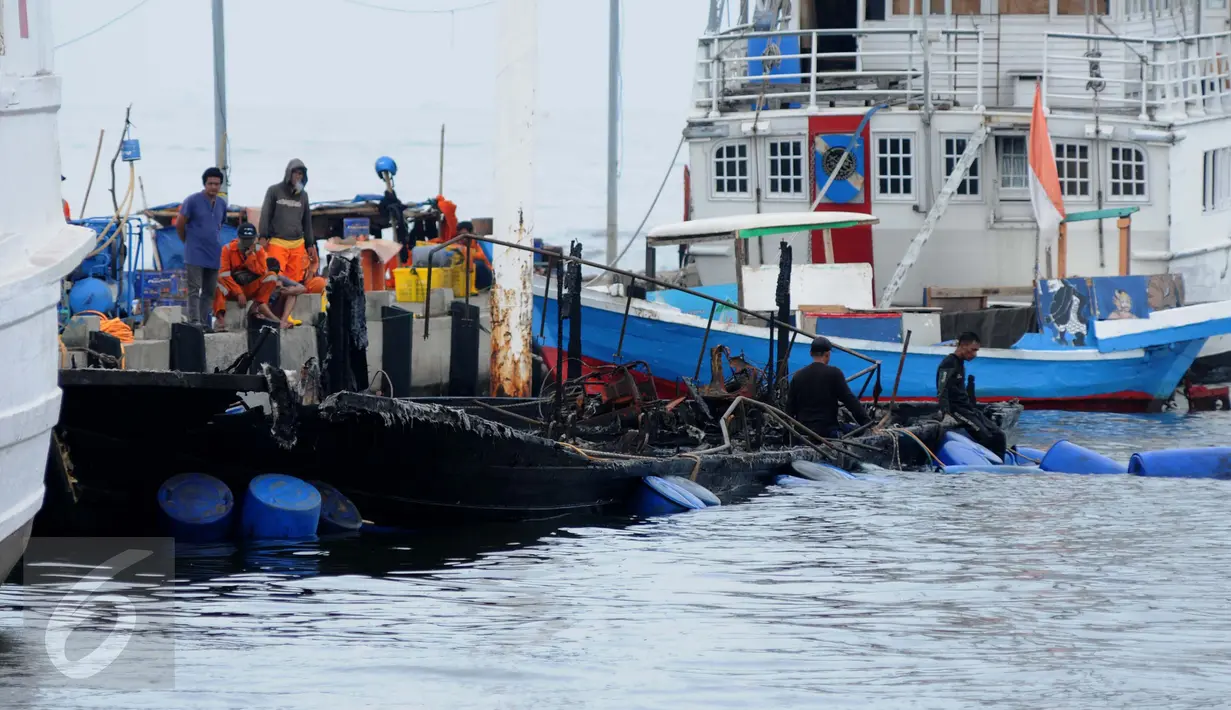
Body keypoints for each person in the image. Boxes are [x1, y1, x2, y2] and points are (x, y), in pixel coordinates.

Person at [259, 158, 326, 295]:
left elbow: (307, 221)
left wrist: (310, 244)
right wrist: (263, 236)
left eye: (301, 174)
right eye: (295, 173)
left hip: (297, 244)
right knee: (276, 275)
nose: (298, 176)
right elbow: (265, 214)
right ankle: (277, 303)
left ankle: (292, 302)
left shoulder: (303, 196)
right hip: (277, 242)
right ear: (288, 173)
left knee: (295, 278)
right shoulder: (274, 191)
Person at [937, 332, 1007, 459]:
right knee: (985, 436)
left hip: (968, 408)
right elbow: (942, 390)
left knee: (999, 434)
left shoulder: (960, 363)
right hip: (956, 410)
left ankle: (1000, 464)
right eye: (973, 350)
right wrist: (946, 413)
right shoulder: (949, 363)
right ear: (963, 346)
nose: (975, 354)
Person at [786, 336, 871, 438]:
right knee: (859, 431)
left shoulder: (798, 376)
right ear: (827, 354)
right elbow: (849, 400)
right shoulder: (834, 373)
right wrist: (867, 423)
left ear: (811, 353)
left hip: (804, 432)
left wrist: (787, 435)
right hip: (827, 431)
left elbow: (790, 408)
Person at [177, 167, 228, 328]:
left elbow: (220, 225)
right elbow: (180, 223)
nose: (214, 187)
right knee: (194, 290)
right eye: (210, 183)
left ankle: (205, 323)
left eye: (217, 184)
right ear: (205, 184)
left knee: (209, 291)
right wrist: (188, 242)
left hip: (213, 253)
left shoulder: (221, 204)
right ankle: (194, 321)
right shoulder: (192, 201)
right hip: (195, 253)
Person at [212, 223, 280, 332]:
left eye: (250, 239)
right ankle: (220, 320)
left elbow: (262, 271)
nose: (247, 242)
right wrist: (238, 292)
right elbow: (224, 274)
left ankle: (254, 309)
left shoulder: (259, 250)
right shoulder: (227, 249)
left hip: (249, 288)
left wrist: (250, 256)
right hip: (232, 289)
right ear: (238, 238)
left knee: (271, 277)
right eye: (244, 239)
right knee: (217, 283)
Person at [263, 257, 307, 329]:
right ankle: (279, 322)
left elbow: (303, 288)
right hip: (263, 307)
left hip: (275, 305)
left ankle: (283, 320)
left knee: (292, 291)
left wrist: (288, 291)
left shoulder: (280, 278)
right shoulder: (260, 277)